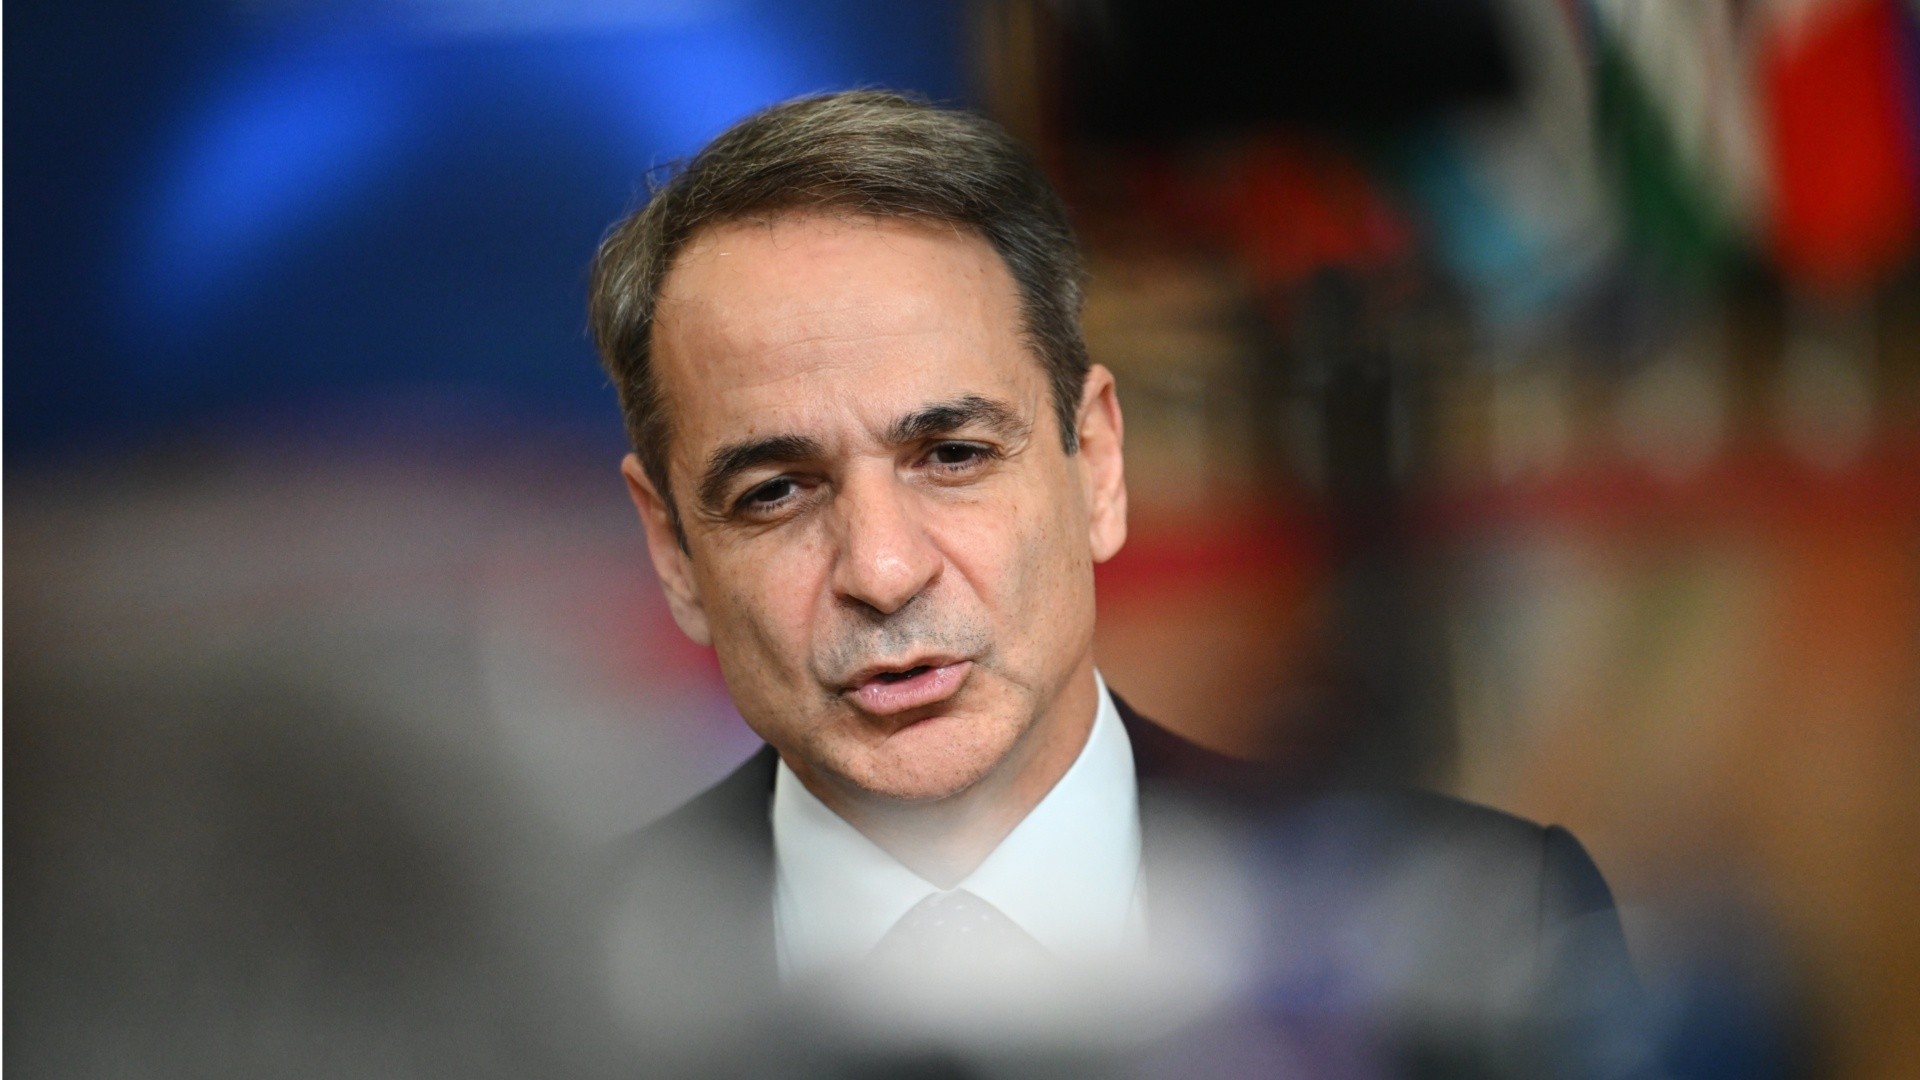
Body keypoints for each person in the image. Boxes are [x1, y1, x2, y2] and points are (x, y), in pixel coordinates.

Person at [586, 91, 1648, 1075]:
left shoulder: (1482, 930)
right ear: (674, 551)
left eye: (953, 455)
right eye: (775, 491)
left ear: (1095, 464)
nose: (884, 571)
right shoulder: (537, 984)